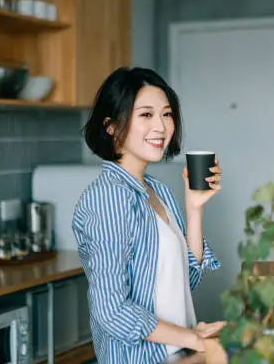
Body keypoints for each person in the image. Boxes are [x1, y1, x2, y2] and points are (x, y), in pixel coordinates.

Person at [72, 67, 224, 364]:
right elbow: (111, 310)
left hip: (179, 355)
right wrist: (191, 337)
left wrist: (194, 208)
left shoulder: (158, 191)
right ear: (111, 126)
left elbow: (187, 279)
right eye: (145, 115)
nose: (161, 126)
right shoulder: (108, 198)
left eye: (166, 114)